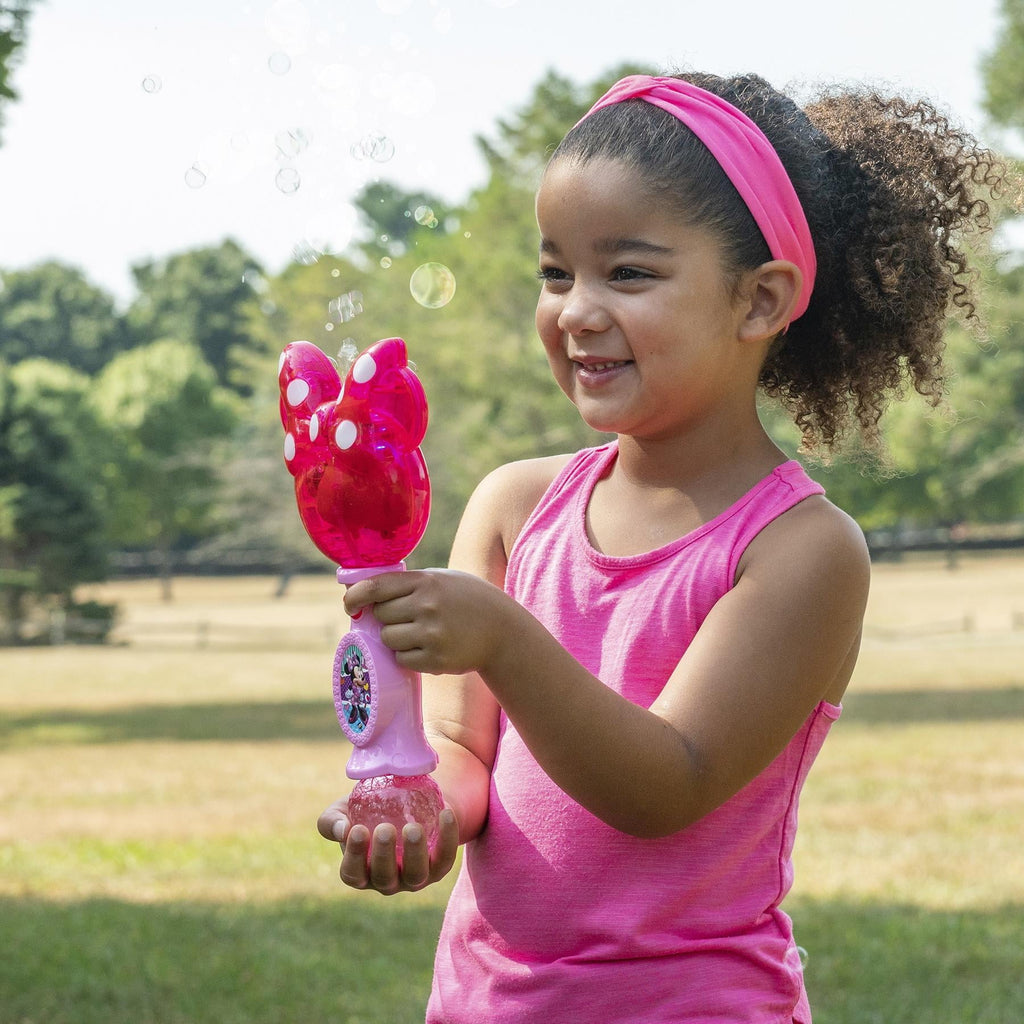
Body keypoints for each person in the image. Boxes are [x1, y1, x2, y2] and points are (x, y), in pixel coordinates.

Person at [317, 71, 1005, 1022]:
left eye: (628, 273)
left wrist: (507, 640)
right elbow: (458, 744)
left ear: (760, 301)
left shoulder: (800, 550)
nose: (577, 310)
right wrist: (424, 813)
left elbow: (667, 786)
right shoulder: (517, 505)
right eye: (556, 272)